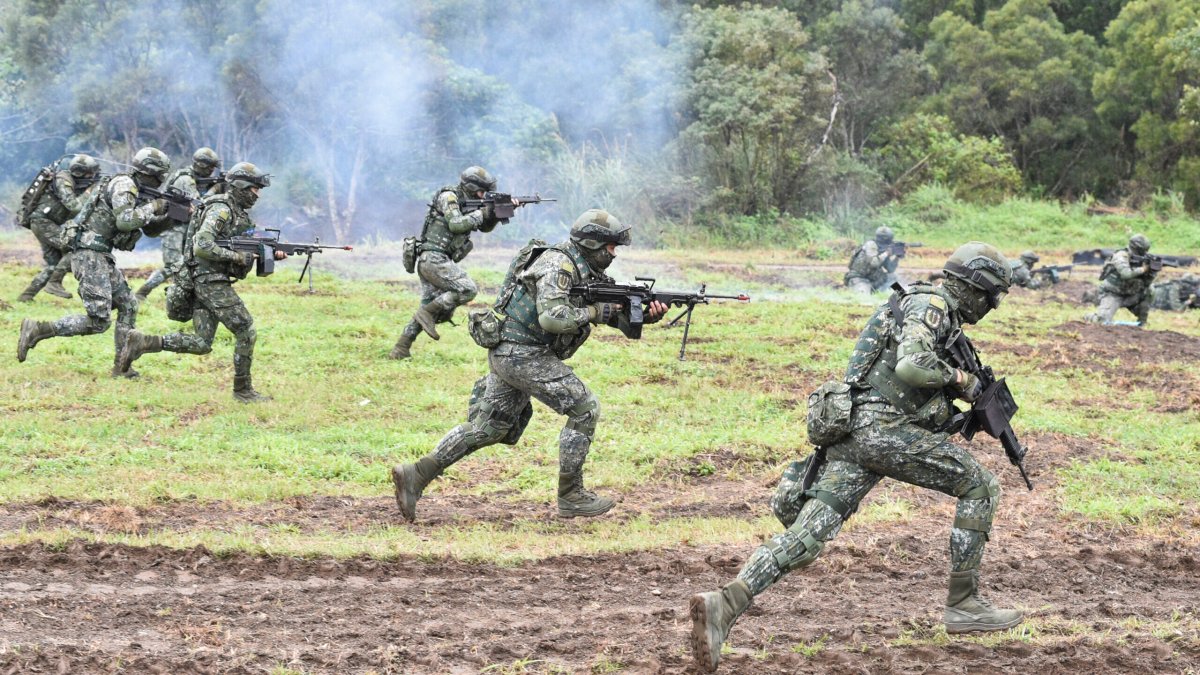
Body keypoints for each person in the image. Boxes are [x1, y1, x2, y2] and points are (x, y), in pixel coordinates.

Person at [689, 243, 1022, 672]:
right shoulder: (932, 306)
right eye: (993, 296)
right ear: (976, 287)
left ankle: (724, 604)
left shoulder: (926, 307)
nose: (993, 306)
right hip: (884, 431)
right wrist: (961, 380)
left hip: (855, 434)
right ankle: (963, 605)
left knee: (808, 537)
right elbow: (911, 367)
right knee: (981, 486)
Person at [390, 209, 667, 520]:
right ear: (593, 244)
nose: (614, 254)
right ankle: (571, 495)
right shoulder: (558, 265)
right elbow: (552, 318)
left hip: (512, 352)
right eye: (611, 247)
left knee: (488, 428)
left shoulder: (586, 268)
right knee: (584, 408)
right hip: (521, 353)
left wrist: (645, 315)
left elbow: (615, 317)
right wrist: (594, 313)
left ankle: (415, 474)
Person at [116, 162, 283, 402]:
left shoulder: (236, 212)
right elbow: (202, 245)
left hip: (204, 280)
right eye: (255, 189)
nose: (257, 195)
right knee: (245, 330)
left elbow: (247, 238)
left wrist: (271, 249)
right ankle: (243, 390)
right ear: (241, 187)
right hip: (209, 281)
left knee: (202, 343)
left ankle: (142, 342)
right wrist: (237, 257)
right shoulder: (221, 209)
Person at [17, 147, 173, 377]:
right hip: (89, 254)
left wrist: (173, 216)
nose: (162, 179)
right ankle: (38, 330)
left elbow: (149, 230)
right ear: (152, 173)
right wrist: (154, 206)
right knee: (99, 321)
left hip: (100, 255)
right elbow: (125, 221)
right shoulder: (124, 185)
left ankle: (122, 367)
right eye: (161, 175)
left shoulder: (137, 190)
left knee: (128, 305)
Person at [389, 166, 512, 359]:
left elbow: (485, 228)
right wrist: (482, 213)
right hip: (433, 258)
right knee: (467, 289)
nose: (484, 196)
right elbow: (456, 225)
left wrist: (498, 212)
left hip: (436, 260)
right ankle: (427, 314)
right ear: (472, 187)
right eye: (482, 191)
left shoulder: (469, 201)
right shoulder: (449, 197)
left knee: (427, 305)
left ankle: (400, 349)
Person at [136, 147, 222, 301]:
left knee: (188, 264)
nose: (211, 171)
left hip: (185, 227)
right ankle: (142, 292)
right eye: (210, 167)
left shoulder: (196, 179)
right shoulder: (185, 179)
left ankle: (179, 295)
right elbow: (198, 205)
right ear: (201, 165)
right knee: (173, 266)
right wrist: (215, 190)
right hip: (172, 227)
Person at [16, 154, 100, 302]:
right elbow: (74, 206)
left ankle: (26, 296)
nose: (92, 176)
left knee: (53, 265)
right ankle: (54, 283)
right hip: (43, 223)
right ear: (80, 173)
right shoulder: (63, 180)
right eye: (90, 174)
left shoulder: (73, 180)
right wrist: (90, 192)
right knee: (77, 247)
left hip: (45, 224)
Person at [1086, 233, 1156, 326]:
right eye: (1143, 250)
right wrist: (1143, 269)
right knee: (1102, 321)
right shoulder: (1121, 255)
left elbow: (1146, 283)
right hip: (1113, 293)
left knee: (1150, 289)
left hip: (1131, 294)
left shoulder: (1143, 259)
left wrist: (1151, 272)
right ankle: (1089, 317)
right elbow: (1125, 273)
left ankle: (1142, 322)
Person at [845, 226, 900, 294]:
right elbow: (874, 263)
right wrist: (887, 253)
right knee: (862, 296)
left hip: (875, 280)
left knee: (894, 279)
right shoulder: (870, 245)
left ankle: (903, 296)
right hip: (860, 279)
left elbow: (890, 269)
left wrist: (897, 257)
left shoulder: (884, 249)